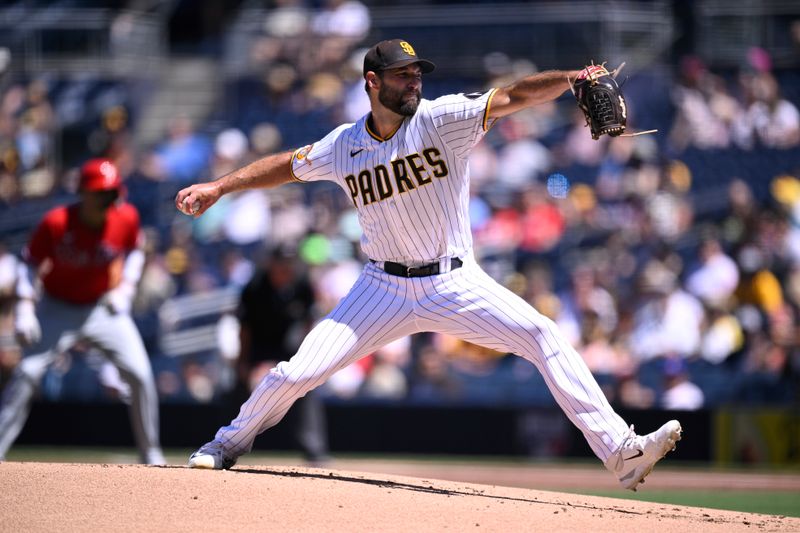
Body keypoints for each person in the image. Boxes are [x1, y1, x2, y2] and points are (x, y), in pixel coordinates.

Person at [176, 39, 681, 490]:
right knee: (293, 373)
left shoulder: (442, 119)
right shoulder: (344, 144)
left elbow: (514, 96)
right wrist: (220, 187)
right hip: (381, 288)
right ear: (372, 83)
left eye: (417, 72)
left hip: (454, 281)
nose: (414, 80)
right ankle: (224, 445)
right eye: (403, 74)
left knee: (543, 334)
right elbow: (285, 166)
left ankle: (621, 451)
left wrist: (572, 78)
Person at [0, 158, 164, 465]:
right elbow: (30, 262)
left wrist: (125, 288)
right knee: (26, 372)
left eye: (112, 192)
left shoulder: (125, 217)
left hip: (102, 308)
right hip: (57, 306)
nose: (108, 200)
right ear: (83, 193)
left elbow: (136, 251)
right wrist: (24, 306)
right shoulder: (56, 222)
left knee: (140, 374)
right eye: (101, 193)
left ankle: (151, 453)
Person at [236, 245, 329, 464]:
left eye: (290, 266)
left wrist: (307, 357)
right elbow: (245, 329)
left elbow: (309, 323)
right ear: (272, 264)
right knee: (238, 388)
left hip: (290, 347)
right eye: (282, 266)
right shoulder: (255, 285)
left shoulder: (302, 283)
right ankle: (226, 444)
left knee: (307, 386)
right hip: (260, 348)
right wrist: (243, 363)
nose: (287, 270)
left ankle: (315, 450)